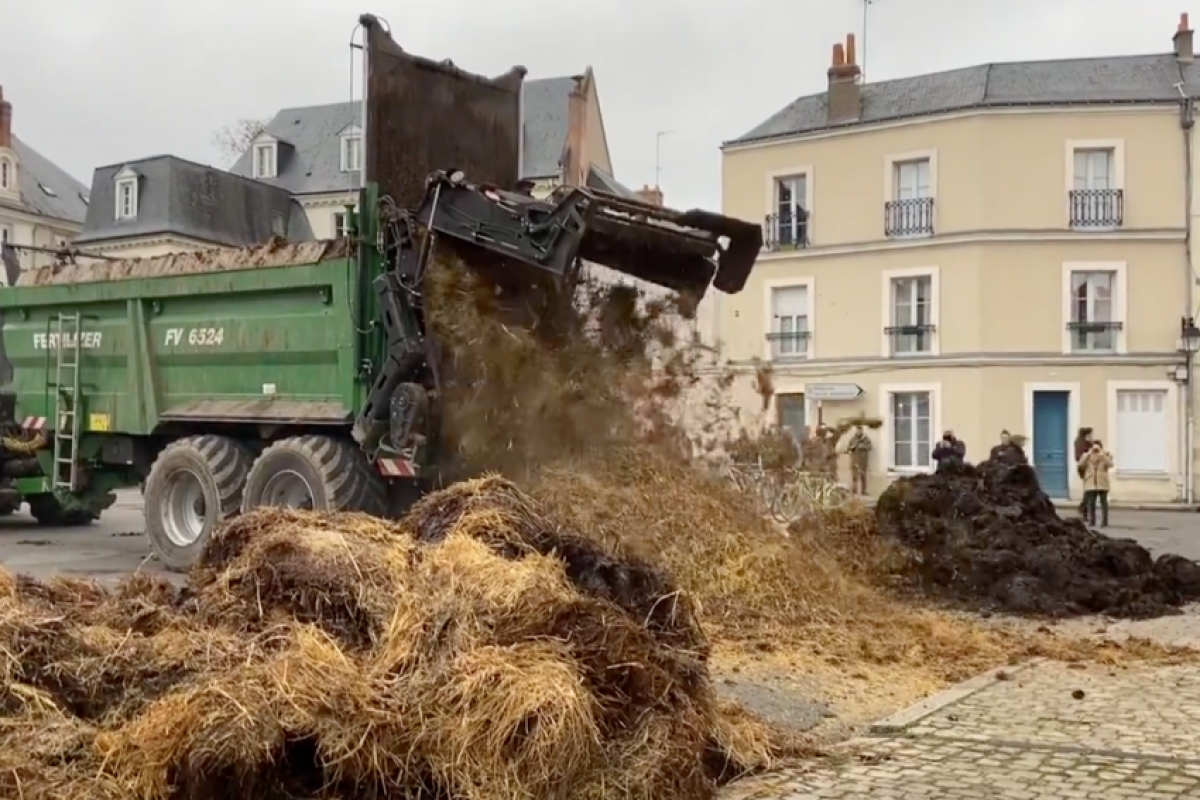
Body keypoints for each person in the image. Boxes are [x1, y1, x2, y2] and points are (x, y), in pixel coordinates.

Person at [1079, 440, 1113, 527]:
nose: (1095, 450)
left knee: (1103, 503)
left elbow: (1110, 464)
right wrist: (1088, 454)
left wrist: (1102, 455)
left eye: (1097, 447)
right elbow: (1081, 465)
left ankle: (1104, 521)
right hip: (1091, 482)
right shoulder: (1086, 456)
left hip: (1102, 482)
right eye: (1094, 447)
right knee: (1091, 503)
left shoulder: (1106, 455)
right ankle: (1092, 521)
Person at [1073, 426, 1094, 515]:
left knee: (1089, 489)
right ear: (1086, 435)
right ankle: (1083, 507)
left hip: (1084, 468)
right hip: (1085, 468)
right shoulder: (1083, 444)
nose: (1092, 436)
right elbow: (1080, 457)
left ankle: (1084, 507)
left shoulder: (1081, 442)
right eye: (1090, 435)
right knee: (1089, 489)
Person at [846, 425, 872, 495]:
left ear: (862, 431)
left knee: (863, 476)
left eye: (860, 430)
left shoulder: (866, 439)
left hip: (863, 461)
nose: (858, 432)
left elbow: (870, 447)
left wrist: (862, 446)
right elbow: (848, 449)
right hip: (854, 460)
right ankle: (854, 490)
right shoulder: (852, 439)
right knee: (854, 477)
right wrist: (853, 447)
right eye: (857, 430)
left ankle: (864, 491)